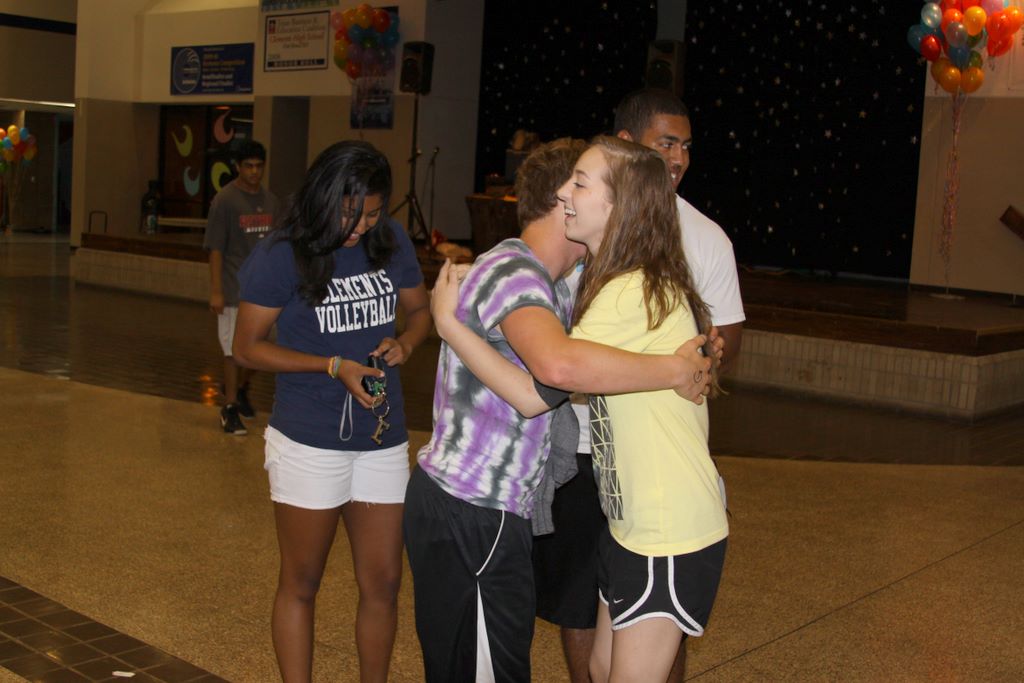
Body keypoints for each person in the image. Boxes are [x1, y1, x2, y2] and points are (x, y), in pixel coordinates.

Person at [403, 137, 717, 683]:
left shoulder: (578, 287)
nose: (572, 193)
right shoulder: (525, 275)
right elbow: (552, 374)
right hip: (477, 508)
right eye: (570, 182)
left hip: (644, 523)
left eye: (583, 183)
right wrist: (674, 369)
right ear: (557, 201)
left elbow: (558, 371)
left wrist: (691, 357)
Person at [531, 87, 747, 683]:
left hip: (666, 528)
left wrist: (453, 326)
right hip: (631, 522)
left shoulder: (630, 290)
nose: (563, 194)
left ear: (618, 203)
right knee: (603, 666)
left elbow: (547, 377)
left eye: (579, 183)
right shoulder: (624, 280)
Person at [232, 141, 431, 683]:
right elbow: (246, 347)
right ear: (325, 195)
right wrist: (331, 365)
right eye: (351, 213)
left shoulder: (388, 240)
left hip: (381, 437)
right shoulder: (282, 253)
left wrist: (407, 342)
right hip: (309, 439)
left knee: (384, 583)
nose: (360, 227)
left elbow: (420, 311)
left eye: (372, 215)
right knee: (302, 582)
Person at [204, 139, 280, 435]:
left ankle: (239, 386)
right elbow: (215, 249)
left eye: (259, 166)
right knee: (232, 351)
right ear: (238, 167)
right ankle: (230, 407)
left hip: (264, 290)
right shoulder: (224, 200)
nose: (254, 172)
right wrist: (216, 290)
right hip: (234, 288)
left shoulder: (270, 201)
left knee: (266, 347)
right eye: (248, 166)